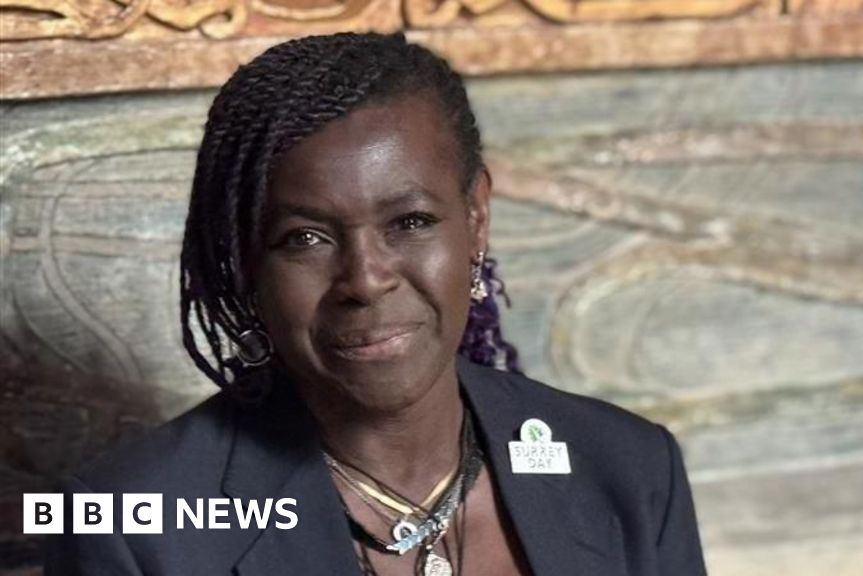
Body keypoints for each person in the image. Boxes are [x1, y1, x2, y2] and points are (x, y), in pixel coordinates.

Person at [45, 32, 706, 576]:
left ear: (476, 220)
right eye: (304, 238)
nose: (364, 280)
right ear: (246, 260)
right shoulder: (133, 526)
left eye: (411, 222)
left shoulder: (629, 466)